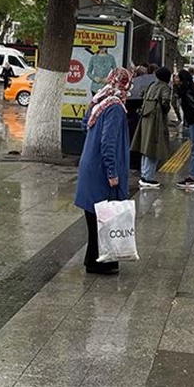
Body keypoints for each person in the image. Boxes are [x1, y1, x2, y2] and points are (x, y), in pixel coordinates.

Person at [74, 68, 133, 275]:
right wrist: (112, 174)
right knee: (104, 217)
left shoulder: (100, 99)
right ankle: (100, 262)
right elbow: (108, 142)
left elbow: (84, 125)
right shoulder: (115, 107)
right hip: (101, 170)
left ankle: (93, 260)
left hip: (89, 165)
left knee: (94, 217)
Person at [133, 66, 173, 189]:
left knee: (145, 147)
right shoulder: (165, 87)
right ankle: (149, 178)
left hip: (145, 117)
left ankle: (144, 175)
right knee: (154, 147)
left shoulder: (152, 85)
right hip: (157, 120)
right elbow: (166, 103)